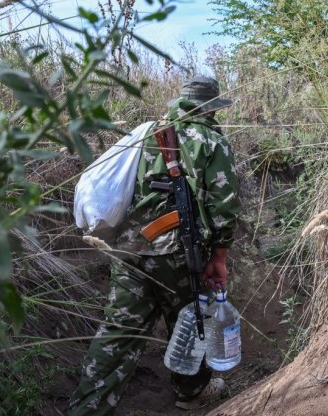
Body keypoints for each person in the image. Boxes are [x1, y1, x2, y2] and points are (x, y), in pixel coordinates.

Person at [69, 75, 240, 415]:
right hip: (176, 253)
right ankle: (193, 391)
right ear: (210, 108)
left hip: (130, 249)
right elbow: (224, 207)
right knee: (190, 320)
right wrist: (218, 255)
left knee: (118, 332)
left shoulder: (146, 133)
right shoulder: (210, 141)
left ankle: (87, 407)